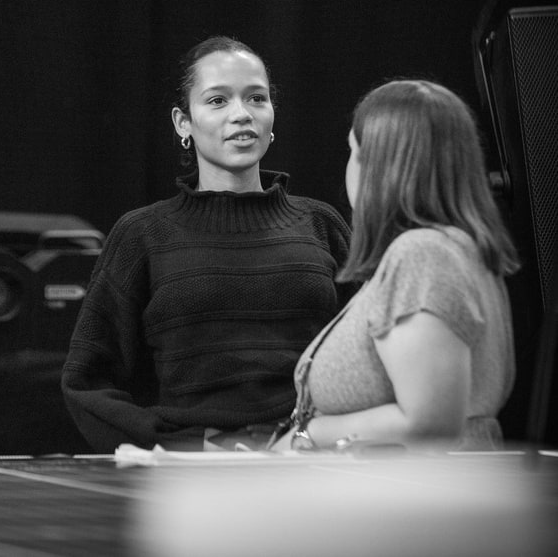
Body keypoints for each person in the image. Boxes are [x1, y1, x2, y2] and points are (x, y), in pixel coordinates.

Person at [62, 35, 352, 453]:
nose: (242, 114)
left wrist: (317, 440)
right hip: (193, 471)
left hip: (311, 463)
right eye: (218, 100)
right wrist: (175, 447)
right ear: (183, 122)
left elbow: (372, 359)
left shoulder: (321, 224)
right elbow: (86, 379)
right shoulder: (143, 234)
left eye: (256, 98)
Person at [270, 79, 519, 453]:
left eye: (353, 151)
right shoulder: (453, 250)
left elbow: (428, 424)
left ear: (380, 165)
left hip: (423, 489)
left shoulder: (423, 254)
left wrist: (307, 435)